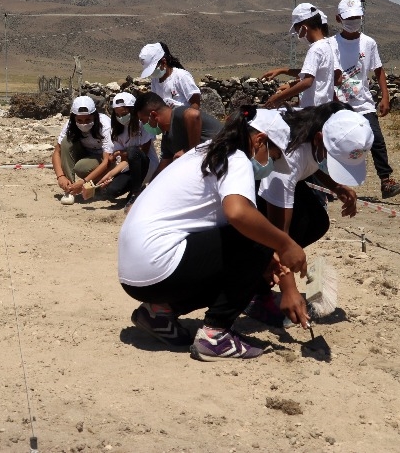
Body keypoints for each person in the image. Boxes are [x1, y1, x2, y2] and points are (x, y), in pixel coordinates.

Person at [118, 106, 308, 361]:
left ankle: (157, 312)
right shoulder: (236, 157)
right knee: (257, 237)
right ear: (260, 140)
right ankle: (215, 335)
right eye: (272, 156)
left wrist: (262, 264)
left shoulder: (205, 151)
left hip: (135, 273)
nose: (270, 164)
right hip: (159, 265)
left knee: (251, 250)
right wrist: (285, 244)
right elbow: (238, 214)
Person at [247, 105, 374, 325]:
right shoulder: (287, 158)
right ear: (318, 138)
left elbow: (314, 162)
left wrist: (337, 187)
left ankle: (264, 272)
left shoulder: (324, 122)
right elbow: (278, 234)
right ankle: (254, 292)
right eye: (334, 160)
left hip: (287, 176)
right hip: (249, 187)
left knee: (316, 221)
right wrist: (290, 291)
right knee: (272, 238)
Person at [329, 0, 400, 199]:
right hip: (338, 104)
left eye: (357, 17)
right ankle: (333, 185)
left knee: (376, 140)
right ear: (338, 19)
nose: (353, 21)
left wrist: (385, 96)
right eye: (349, 18)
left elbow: (378, 70)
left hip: (363, 103)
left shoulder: (368, 43)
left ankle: (386, 181)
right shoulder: (331, 45)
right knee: (337, 143)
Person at [263, 3, 334, 109]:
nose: (298, 35)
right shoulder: (326, 46)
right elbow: (313, 74)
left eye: (297, 31)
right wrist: (283, 71)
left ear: (304, 28)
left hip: (312, 110)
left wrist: (278, 98)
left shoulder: (315, 50)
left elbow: (307, 82)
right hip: (323, 108)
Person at [135, 91, 223, 176]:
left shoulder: (177, 114)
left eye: (143, 120)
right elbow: (162, 168)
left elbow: (193, 114)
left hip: (226, 157)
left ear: (154, 115)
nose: (143, 125)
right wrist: (150, 187)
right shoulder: (167, 139)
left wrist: (190, 152)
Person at [97, 92, 158, 209]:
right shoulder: (116, 130)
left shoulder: (144, 123)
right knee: (110, 192)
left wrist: (121, 153)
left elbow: (142, 151)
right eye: (118, 115)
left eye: (124, 114)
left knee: (133, 151)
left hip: (147, 166)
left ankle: (135, 193)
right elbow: (124, 160)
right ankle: (139, 189)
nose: (121, 118)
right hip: (129, 166)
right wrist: (109, 175)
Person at [52, 96, 113, 201]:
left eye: (88, 119)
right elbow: (57, 152)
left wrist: (84, 182)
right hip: (85, 152)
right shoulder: (70, 125)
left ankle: (94, 182)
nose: (84, 123)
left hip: (103, 158)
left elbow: (107, 160)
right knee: (66, 141)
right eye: (79, 120)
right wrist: (60, 176)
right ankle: (70, 188)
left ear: (94, 116)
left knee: (81, 168)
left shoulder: (105, 125)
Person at [139, 42, 201, 109]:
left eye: (153, 69)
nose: (152, 73)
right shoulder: (155, 81)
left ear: (164, 62)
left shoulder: (181, 76)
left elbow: (195, 103)